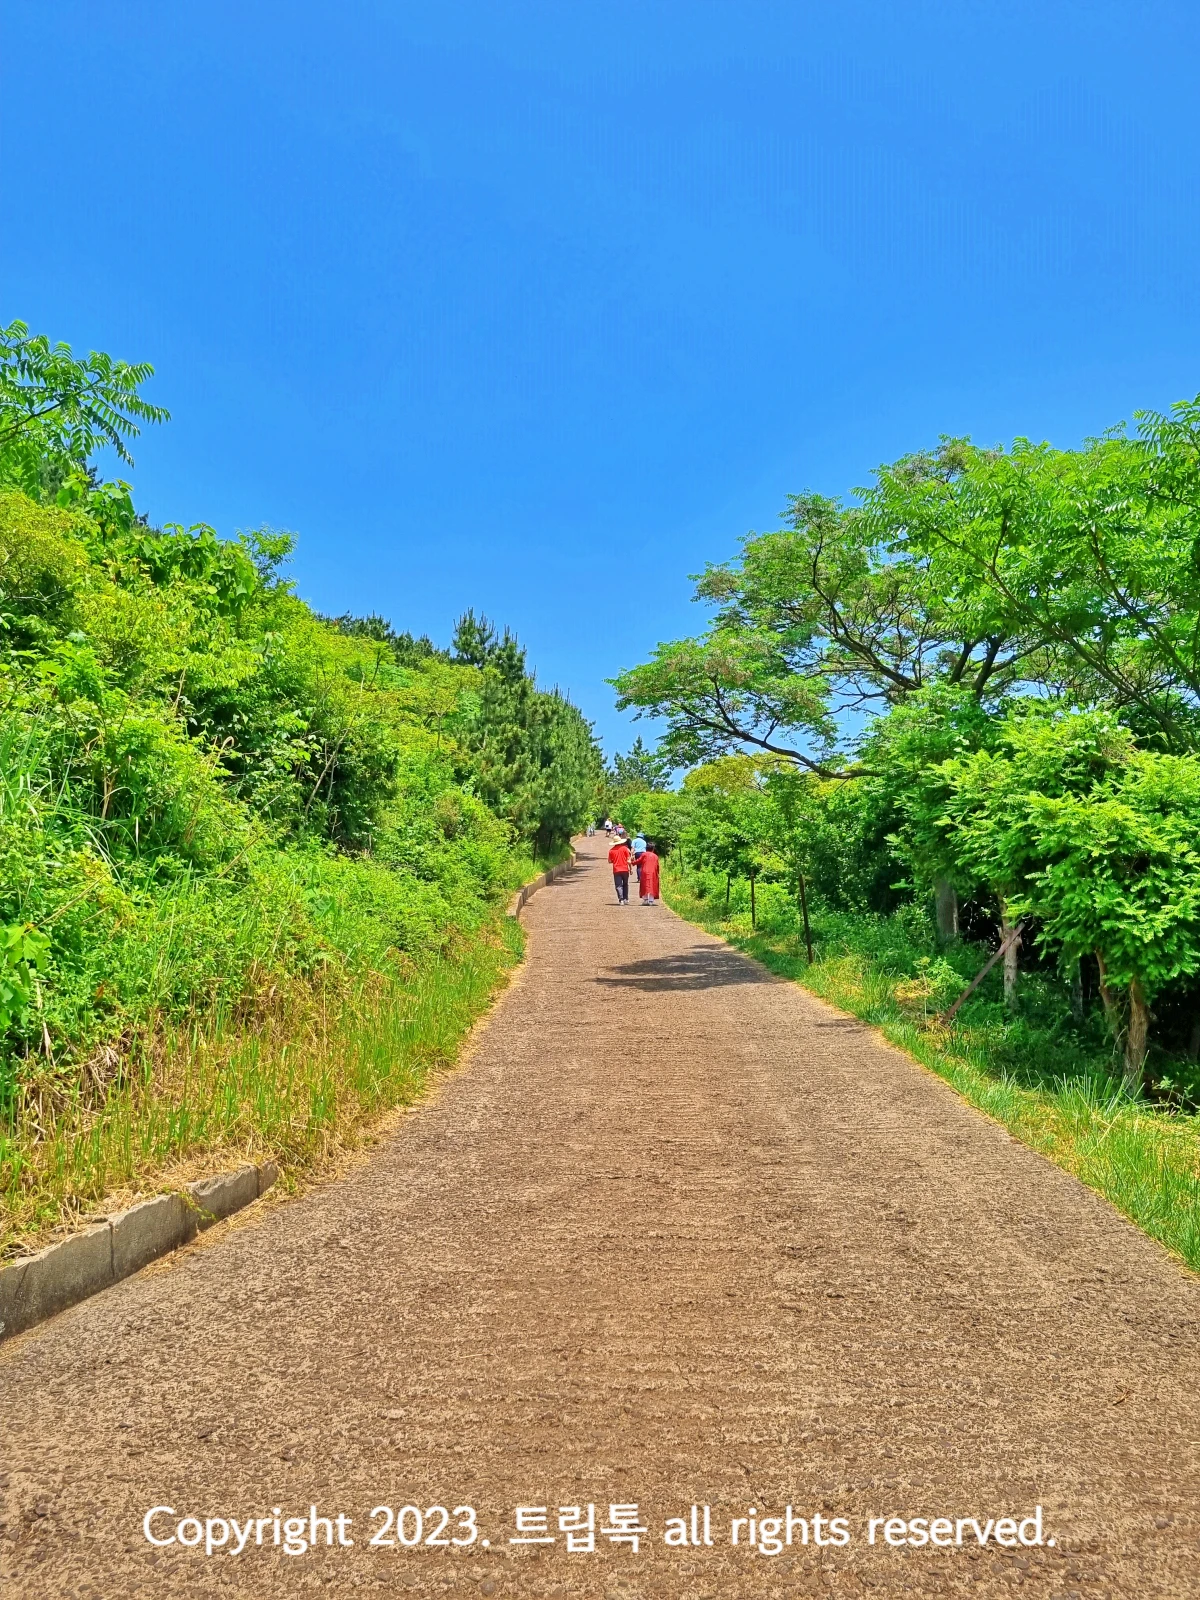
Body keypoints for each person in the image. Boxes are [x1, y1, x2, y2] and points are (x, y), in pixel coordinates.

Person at [608, 833, 632, 904]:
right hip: (625, 869)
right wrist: (630, 869)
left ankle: (621, 899)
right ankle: (626, 899)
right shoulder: (625, 849)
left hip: (616, 870)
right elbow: (628, 859)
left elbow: (609, 861)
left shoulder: (611, 851)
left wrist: (614, 860)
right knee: (625, 884)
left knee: (618, 885)